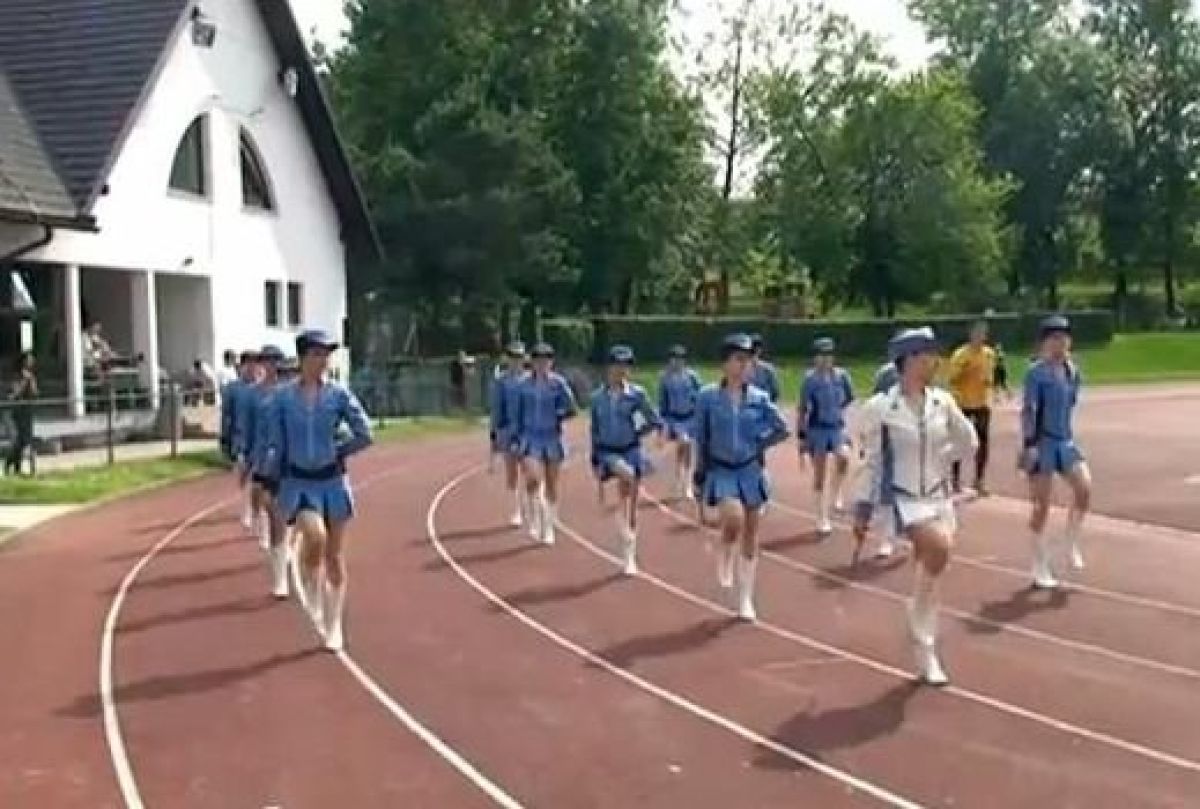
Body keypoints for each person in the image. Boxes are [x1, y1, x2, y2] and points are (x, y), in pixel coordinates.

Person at [852, 327, 978, 685]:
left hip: (938, 495)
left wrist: (943, 459)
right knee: (939, 546)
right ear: (907, 360)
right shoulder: (881, 409)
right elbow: (872, 462)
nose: (933, 361)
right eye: (925, 355)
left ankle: (920, 620)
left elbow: (968, 441)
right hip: (904, 499)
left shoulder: (943, 402)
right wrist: (863, 508)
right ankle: (925, 641)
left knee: (934, 566)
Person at [264, 329, 372, 652]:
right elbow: (276, 442)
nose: (323, 360)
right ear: (302, 358)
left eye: (326, 354)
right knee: (314, 536)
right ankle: (310, 578)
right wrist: (271, 476)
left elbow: (365, 432)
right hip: (299, 483)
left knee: (334, 556)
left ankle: (334, 625)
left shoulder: (338, 395)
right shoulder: (283, 398)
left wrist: (341, 450)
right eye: (316, 354)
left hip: (333, 482)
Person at [692, 333, 790, 622]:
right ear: (725, 364)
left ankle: (746, 597)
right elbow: (701, 436)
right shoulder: (707, 397)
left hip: (749, 469)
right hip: (721, 469)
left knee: (751, 532)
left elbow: (782, 428)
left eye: (748, 361)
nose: (744, 366)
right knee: (733, 519)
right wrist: (699, 473)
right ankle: (725, 547)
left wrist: (760, 444)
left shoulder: (759, 398)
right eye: (738, 360)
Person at [1020, 315, 1090, 587]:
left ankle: (1070, 542)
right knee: (1042, 506)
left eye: (1064, 338)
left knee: (1084, 488)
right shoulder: (1036, 373)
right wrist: (1030, 445)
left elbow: (1070, 405)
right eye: (1055, 338)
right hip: (1042, 442)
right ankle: (1039, 564)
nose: (1061, 343)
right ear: (1045, 342)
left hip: (1064, 440)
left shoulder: (1073, 372)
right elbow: (1029, 410)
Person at [590, 345, 662, 576]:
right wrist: (594, 458)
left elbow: (653, 420)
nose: (621, 370)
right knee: (627, 475)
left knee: (630, 501)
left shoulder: (637, 395)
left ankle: (628, 551)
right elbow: (594, 429)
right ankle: (625, 535)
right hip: (608, 452)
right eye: (617, 365)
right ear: (609, 368)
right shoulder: (597, 398)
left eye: (626, 366)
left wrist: (638, 432)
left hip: (631, 450)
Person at [515, 342, 578, 546]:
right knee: (533, 478)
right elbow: (517, 412)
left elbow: (572, 408)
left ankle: (549, 526)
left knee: (552, 483)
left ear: (551, 362)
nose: (542, 364)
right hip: (530, 436)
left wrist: (560, 413)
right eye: (538, 360)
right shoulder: (523, 385)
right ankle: (534, 517)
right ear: (532, 362)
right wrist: (515, 438)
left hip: (552, 437)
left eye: (546, 360)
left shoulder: (558, 384)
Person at [240, 345, 290, 594]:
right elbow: (247, 427)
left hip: (291, 460)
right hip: (264, 458)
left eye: (276, 361)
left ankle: (283, 549)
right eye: (268, 361)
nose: (272, 366)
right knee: (272, 509)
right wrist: (245, 455)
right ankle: (280, 576)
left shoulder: (291, 393)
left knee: (288, 512)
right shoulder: (252, 395)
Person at [797, 337, 855, 535]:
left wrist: (838, 412)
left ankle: (836, 492)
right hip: (817, 429)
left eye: (828, 355)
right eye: (821, 355)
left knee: (844, 458)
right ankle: (821, 517)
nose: (825, 359)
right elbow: (802, 408)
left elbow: (849, 397)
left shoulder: (842, 376)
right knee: (820, 473)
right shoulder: (810, 380)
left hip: (836, 427)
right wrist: (801, 435)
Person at [947, 320, 997, 495]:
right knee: (960, 440)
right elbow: (952, 378)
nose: (980, 337)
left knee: (983, 442)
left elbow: (989, 377)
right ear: (971, 335)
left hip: (981, 403)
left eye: (983, 334)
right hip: (963, 403)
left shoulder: (989, 354)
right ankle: (954, 479)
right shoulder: (961, 354)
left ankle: (979, 480)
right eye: (977, 333)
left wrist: (989, 382)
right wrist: (965, 370)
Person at [489, 341, 530, 527]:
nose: (516, 360)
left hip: (529, 432)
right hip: (508, 431)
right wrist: (494, 433)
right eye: (513, 356)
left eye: (519, 357)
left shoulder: (531, 379)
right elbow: (496, 408)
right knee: (512, 472)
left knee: (531, 470)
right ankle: (516, 510)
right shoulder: (501, 381)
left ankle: (532, 506)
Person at [221, 351, 260, 531]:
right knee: (244, 475)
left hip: (261, 440)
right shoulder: (233, 389)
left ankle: (256, 511)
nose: (252, 369)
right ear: (241, 367)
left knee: (259, 478)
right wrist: (225, 439)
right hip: (241, 439)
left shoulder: (263, 389)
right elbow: (227, 415)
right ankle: (246, 508)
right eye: (248, 365)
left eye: (255, 364)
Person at [658, 345, 703, 499]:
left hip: (691, 417)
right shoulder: (665, 378)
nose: (676, 362)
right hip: (675, 419)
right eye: (674, 359)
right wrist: (663, 424)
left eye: (679, 359)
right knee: (683, 444)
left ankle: (687, 484)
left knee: (687, 450)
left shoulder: (691, 376)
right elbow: (663, 402)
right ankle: (680, 482)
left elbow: (700, 394)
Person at [5, 352, 38, 476]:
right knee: (18, 441)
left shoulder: (31, 376)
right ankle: (11, 465)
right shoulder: (18, 376)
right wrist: (24, 383)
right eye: (29, 360)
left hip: (26, 412)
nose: (31, 362)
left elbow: (34, 394)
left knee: (25, 441)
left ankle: (19, 468)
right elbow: (13, 394)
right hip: (16, 413)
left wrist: (32, 384)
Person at [748, 333, 781, 403]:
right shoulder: (740, 370)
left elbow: (775, 393)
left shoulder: (768, 369)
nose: (754, 349)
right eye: (753, 346)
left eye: (757, 346)